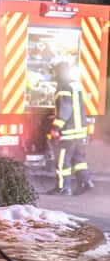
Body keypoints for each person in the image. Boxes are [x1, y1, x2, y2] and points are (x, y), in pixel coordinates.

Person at [47, 60, 94, 196]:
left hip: (68, 132)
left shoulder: (63, 88)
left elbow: (66, 109)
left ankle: (63, 188)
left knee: (63, 160)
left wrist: (56, 127)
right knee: (78, 159)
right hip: (79, 130)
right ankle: (86, 182)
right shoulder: (75, 86)